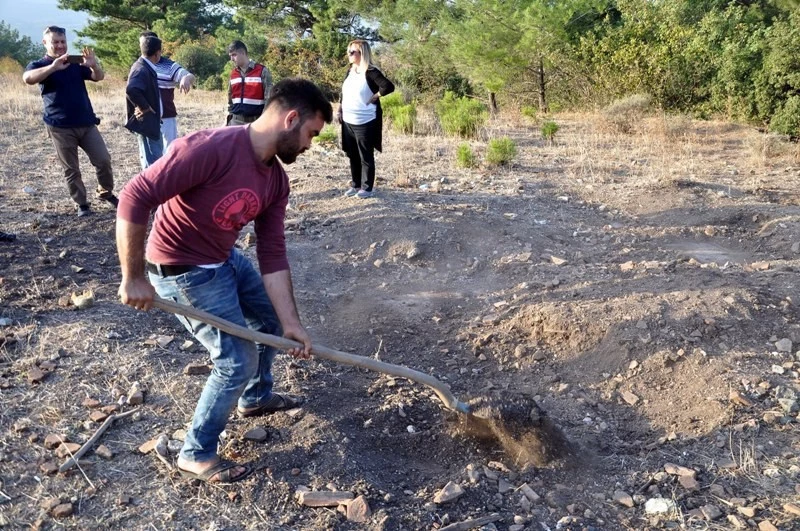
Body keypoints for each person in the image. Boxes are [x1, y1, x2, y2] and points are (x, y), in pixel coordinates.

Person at [116, 78, 333, 484]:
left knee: (269, 323)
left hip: (222, 258)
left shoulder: (275, 181)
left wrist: (292, 323)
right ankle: (195, 452)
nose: (309, 145)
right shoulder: (207, 149)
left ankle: (255, 399)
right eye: (311, 134)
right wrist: (133, 276)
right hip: (181, 268)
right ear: (290, 119)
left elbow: (272, 254)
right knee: (236, 360)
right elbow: (134, 196)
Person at [23, 26, 117, 217]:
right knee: (71, 169)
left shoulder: (74, 63)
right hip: (60, 127)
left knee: (103, 160)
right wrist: (53, 67)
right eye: (55, 42)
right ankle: (82, 204)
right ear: (45, 43)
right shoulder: (39, 64)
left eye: (62, 42)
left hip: (86, 123)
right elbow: (28, 78)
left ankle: (105, 192)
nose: (59, 46)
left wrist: (93, 65)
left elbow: (98, 77)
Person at [336, 39, 395, 199]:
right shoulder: (350, 71)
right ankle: (356, 185)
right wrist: (340, 108)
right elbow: (344, 92)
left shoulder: (370, 71)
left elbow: (388, 86)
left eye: (352, 52)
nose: (349, 54)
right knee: (352, 154)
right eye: (348, 51)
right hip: (348, 119)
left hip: (365, 120)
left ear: (362, 53)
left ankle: (367, 188)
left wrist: (376, 96)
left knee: (365, 156)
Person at [139, 31, 196, 151]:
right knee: (149, 156)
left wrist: (185, 78)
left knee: (169, 153)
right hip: (146, 117)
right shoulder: (139, 66)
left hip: (166, 117)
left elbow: (190, 76)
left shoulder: (169, 66)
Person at [125, 35, 163, 169]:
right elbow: (132, 89)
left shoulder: (143, 67)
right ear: (157, 53)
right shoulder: (141, 69)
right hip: (147, 124)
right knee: (154, 166)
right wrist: (145, 107)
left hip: (149, 123)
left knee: (154, 163)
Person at [226, 40, 273, 126]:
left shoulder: (262, 71)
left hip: (256, 122)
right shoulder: (233, 74)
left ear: (243, 53)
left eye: (234, 55)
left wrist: (264, 120)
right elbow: (230, 98)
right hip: (235, 122)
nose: (231, 59)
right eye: (230, 56)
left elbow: (269, 98)